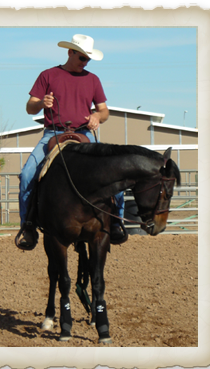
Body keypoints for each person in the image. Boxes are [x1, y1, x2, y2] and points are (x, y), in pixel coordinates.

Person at [18, 34, 125, 248]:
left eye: (88, 60)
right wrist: (41, 103)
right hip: (53, 134)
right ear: (70, 52)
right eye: (82, 58)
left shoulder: (93, 80)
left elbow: (104, 111)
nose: (84, 63)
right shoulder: (48, 75)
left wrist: (97, 116)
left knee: (115, 175)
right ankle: (28, 226)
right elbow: (30, 106)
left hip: (83, 133)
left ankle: (116, 222)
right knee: (27, 174)